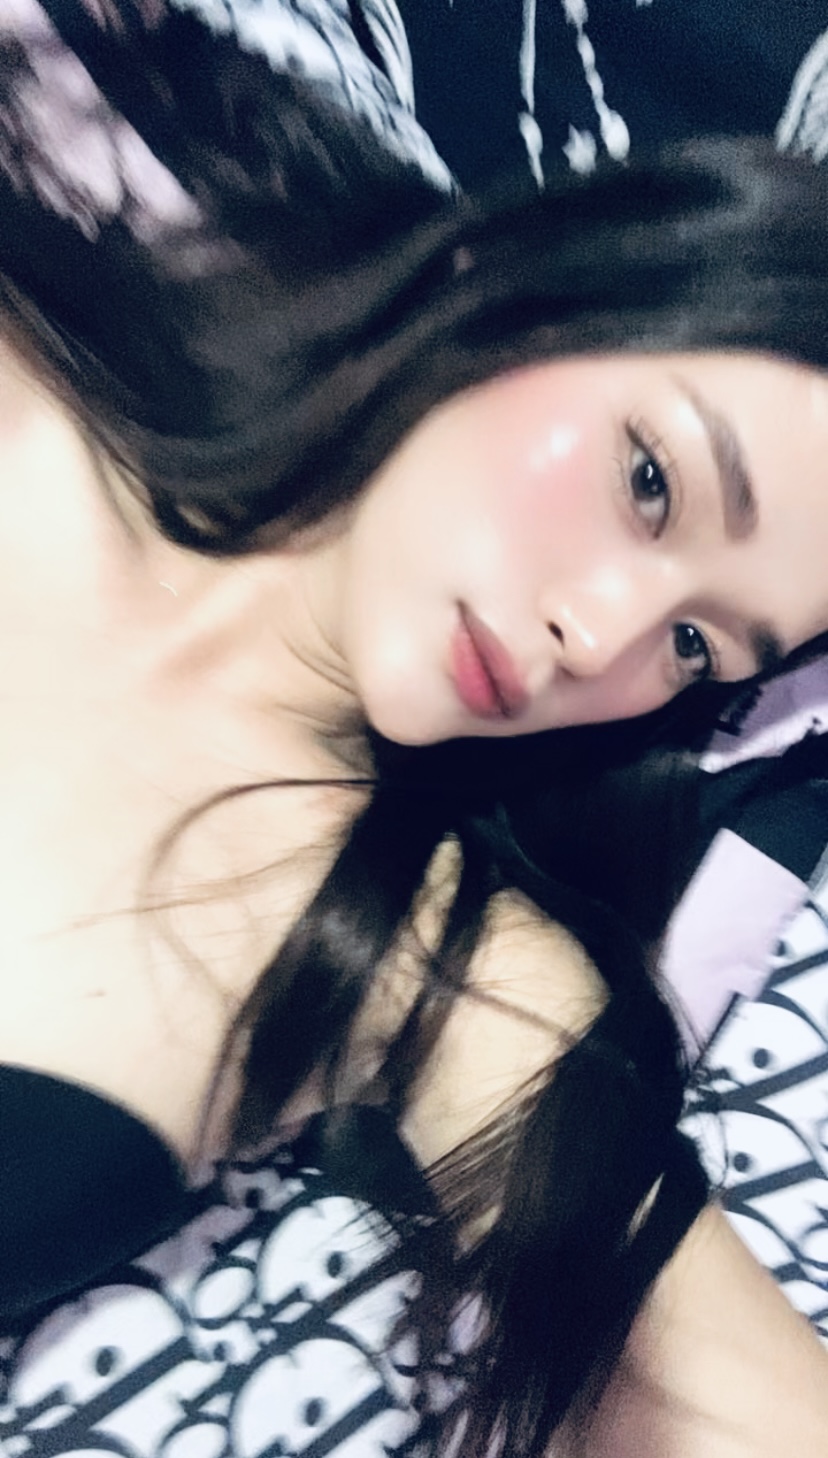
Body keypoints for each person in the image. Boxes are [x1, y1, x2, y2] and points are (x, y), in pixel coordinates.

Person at [1, 3, 828, 1456]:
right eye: (650, 481)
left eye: (699, 645)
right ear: (524, 281)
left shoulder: (427, 946)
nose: (603, 636)